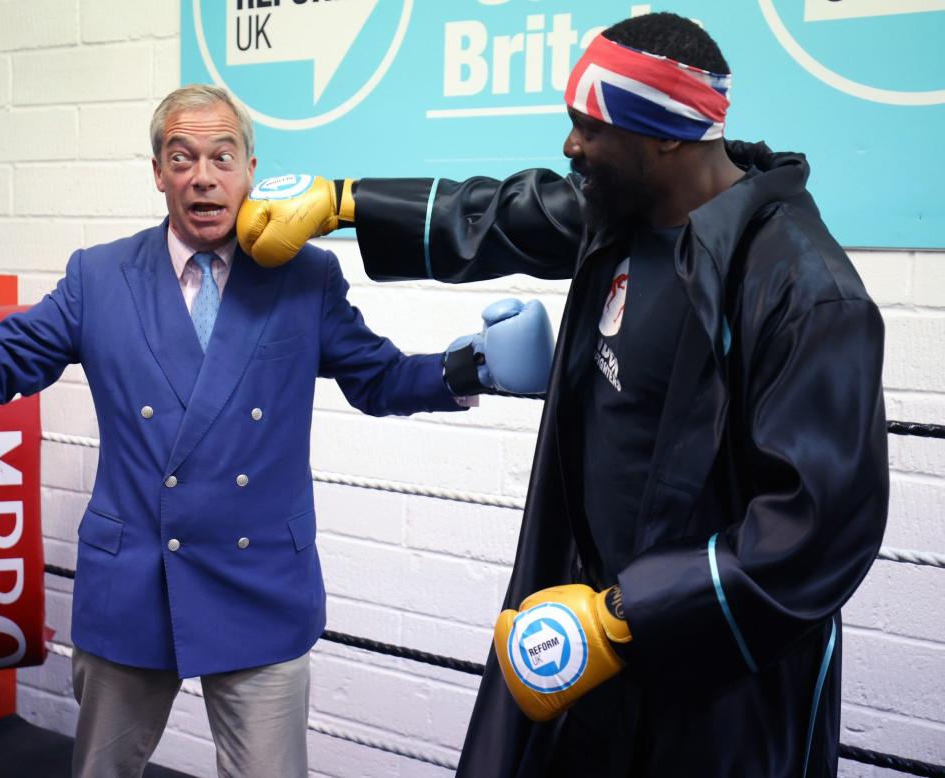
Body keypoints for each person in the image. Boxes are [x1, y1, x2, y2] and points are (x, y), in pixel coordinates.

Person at [0, 84, 555, 777]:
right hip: (133, 581)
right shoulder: (98, 276)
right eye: (180, 157)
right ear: (159, 173)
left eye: (222, 156)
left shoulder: (304, 274)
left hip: (259, 584)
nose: (202, 178)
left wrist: (469, 367)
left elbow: (375, 377)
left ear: (251, 169)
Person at [234, 12, 889, 778]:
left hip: (708, 676)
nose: (570, 146)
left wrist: (624, 619)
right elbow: (500, 212)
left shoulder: (802, 289)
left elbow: (819, 527)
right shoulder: (624, 216)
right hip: (585, 633)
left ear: (664, 138)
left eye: (588, 128)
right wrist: (345, 202)